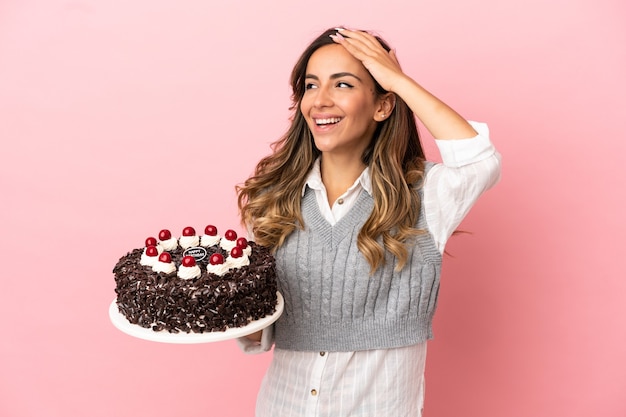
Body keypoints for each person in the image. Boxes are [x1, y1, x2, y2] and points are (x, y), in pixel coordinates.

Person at [235, 27, 501, 417]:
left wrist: (396, 79)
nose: (320, 101)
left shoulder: (424, 196)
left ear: (382, 105)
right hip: (282, 404)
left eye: (342, 84)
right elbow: (257, 332)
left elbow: (480, 161)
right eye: (311, 85)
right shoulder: (273, 200)